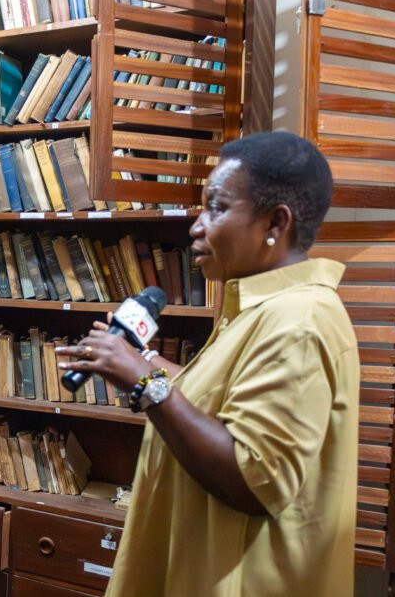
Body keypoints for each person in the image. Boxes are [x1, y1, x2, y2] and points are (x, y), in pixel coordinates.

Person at [58, 131, 359, 597]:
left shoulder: (299, 321)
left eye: (216, 209)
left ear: (275, 223)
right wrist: (139, 360)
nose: (197, 227)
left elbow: (255, 480)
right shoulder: (262, 308)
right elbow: (218, 404)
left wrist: (144, 381)